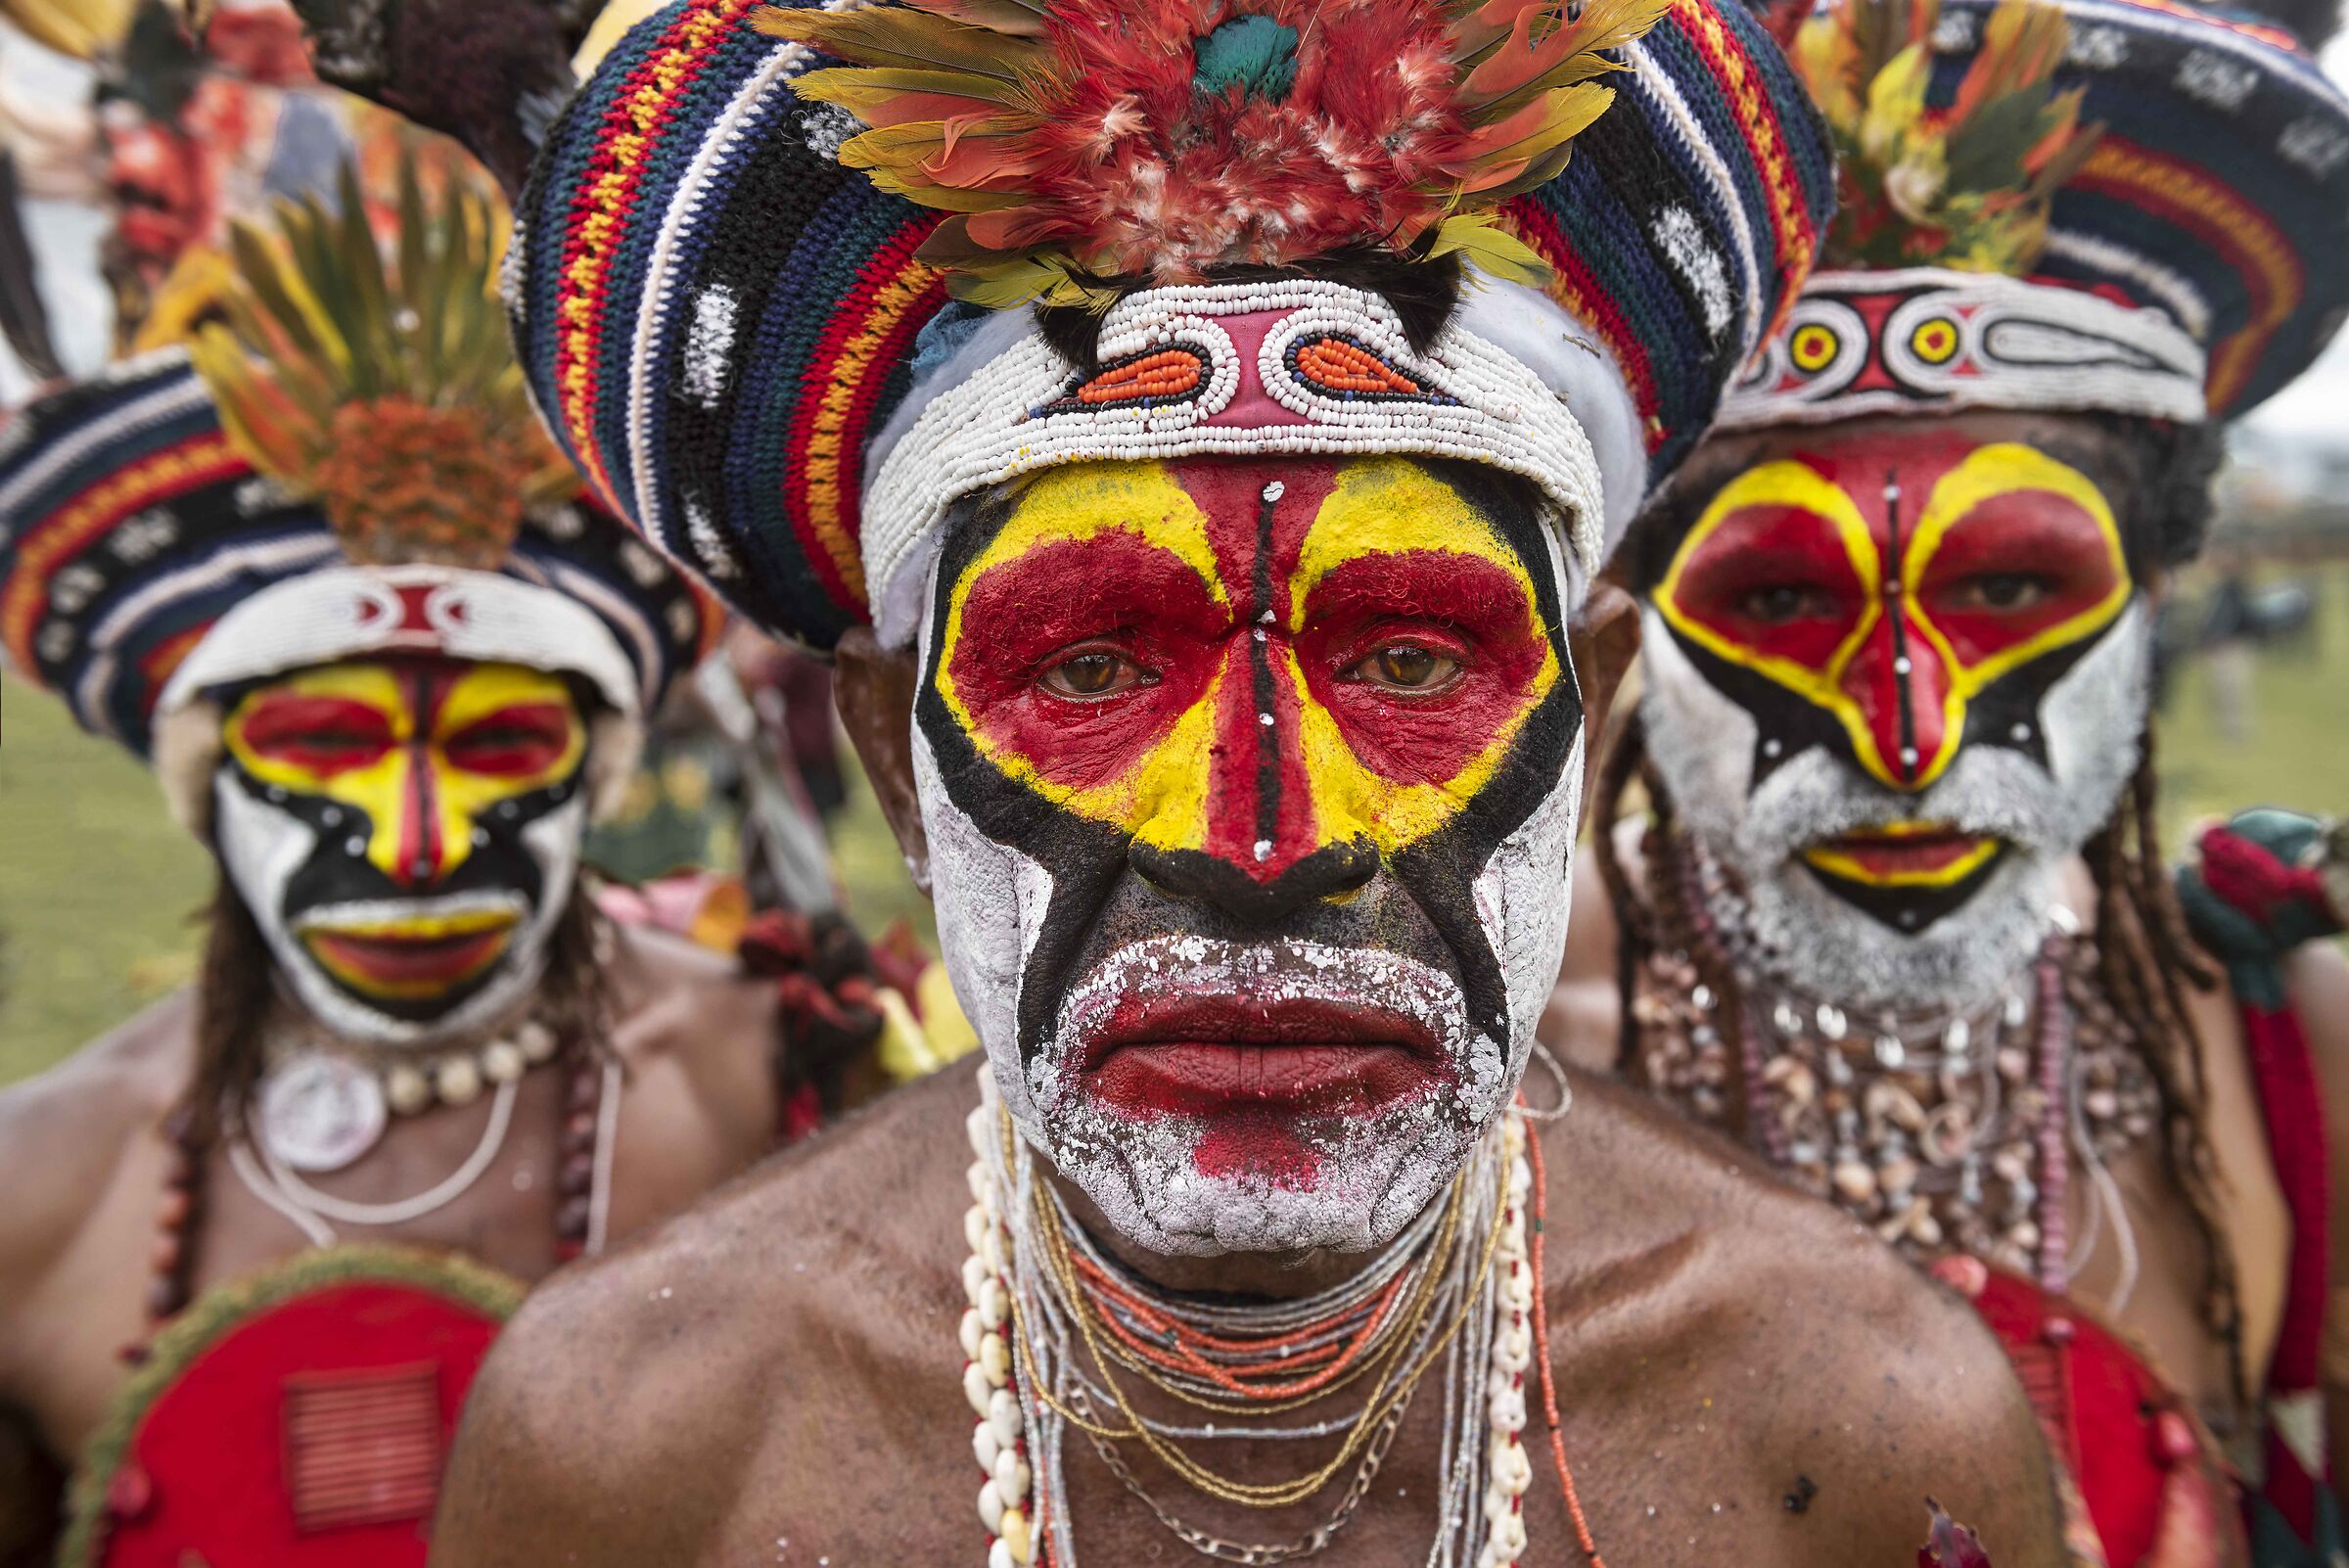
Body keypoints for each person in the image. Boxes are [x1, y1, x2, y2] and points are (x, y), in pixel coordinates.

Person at [427, 0, 2071, 1563]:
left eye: (1413, 659)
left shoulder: (1861, 1426)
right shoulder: (639, 1446)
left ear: (1602, 709)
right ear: (889, 756)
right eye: (1089, 665)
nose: (1267, 848)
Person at [0, 159, 886, 1566]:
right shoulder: (43, 1184)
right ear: (209, 780)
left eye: (498, 745)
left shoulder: (788, 1066)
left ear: (589, 765)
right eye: (327, 741)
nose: (417, 845)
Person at [1554, 0, 2349, 1559]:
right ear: (1636, 622)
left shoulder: (2286, 1059)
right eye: (1778, 599)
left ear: (2153, 597)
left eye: (2006, 593)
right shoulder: (1488, 1058)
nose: (1908, 736)